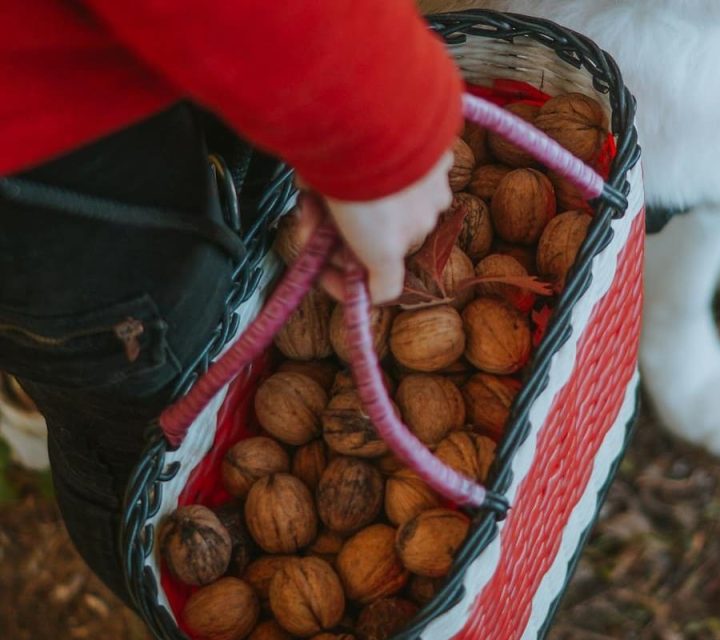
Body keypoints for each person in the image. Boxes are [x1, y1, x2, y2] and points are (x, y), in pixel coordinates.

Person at [0, 0, 460, 606]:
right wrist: (375, 118)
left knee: (114, 364)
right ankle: (173, 623)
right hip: (63, 145)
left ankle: (48, 387)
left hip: (117, 67)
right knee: (140, 441)